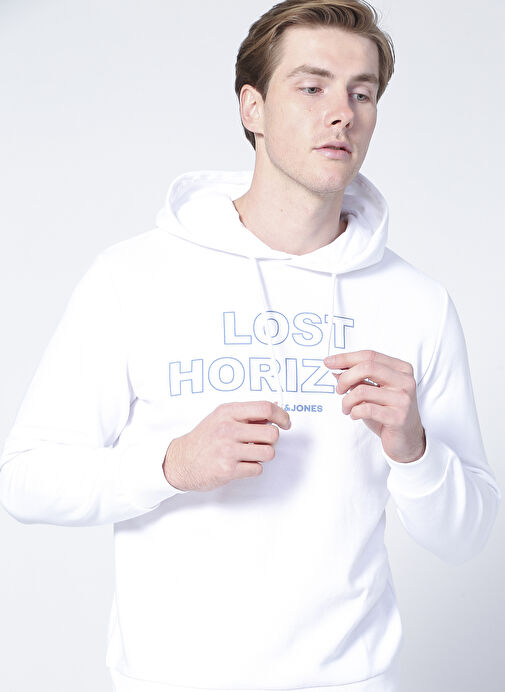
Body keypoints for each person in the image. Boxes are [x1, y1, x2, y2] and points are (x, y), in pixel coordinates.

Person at [0, 0, 501, 690]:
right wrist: (172, 464)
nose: (342, 113)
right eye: (312, 86)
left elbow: (466, 537)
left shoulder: (415, 303)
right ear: (252, 108)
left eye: (362, 93)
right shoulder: (135, 277)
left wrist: (412, 449)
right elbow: (25, 481)